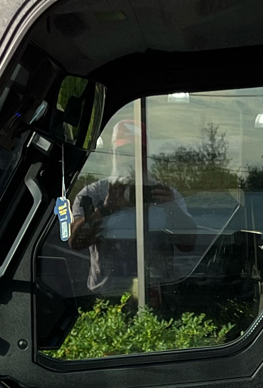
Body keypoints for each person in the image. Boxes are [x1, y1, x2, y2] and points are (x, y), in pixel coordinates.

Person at [67, 115, 197, 297]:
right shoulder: (93, 194)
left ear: (146, 156)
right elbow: (76, 242)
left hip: (158, 292)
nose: (131, 158)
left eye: (137, 151)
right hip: (108, 296)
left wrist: (172, 208)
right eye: (125, 151)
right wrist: (106, 209)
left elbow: (189, 243)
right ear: (113, 154)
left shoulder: (163, 194)